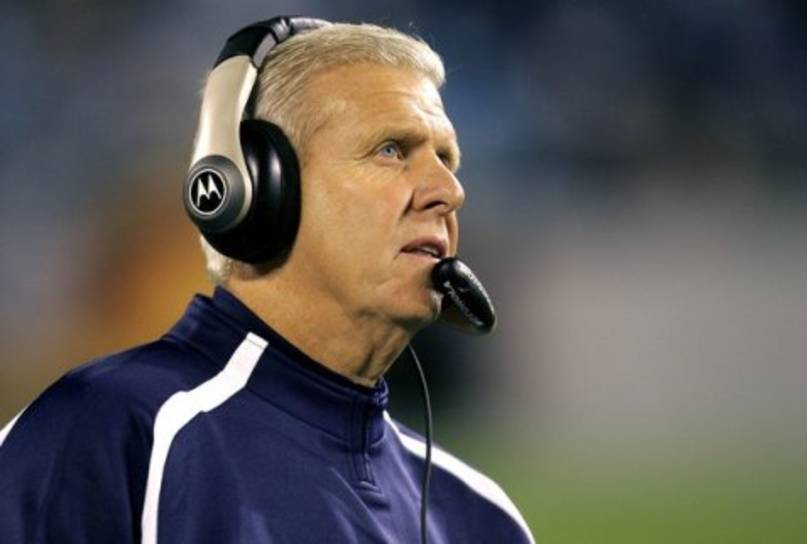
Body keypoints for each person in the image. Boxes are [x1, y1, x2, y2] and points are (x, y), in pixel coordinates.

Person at [0, 16, 533, 543]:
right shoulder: (112, 433)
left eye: (446, 159)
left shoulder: (481, 520)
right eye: (391, 150)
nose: (449, 191)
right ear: (258, 189)